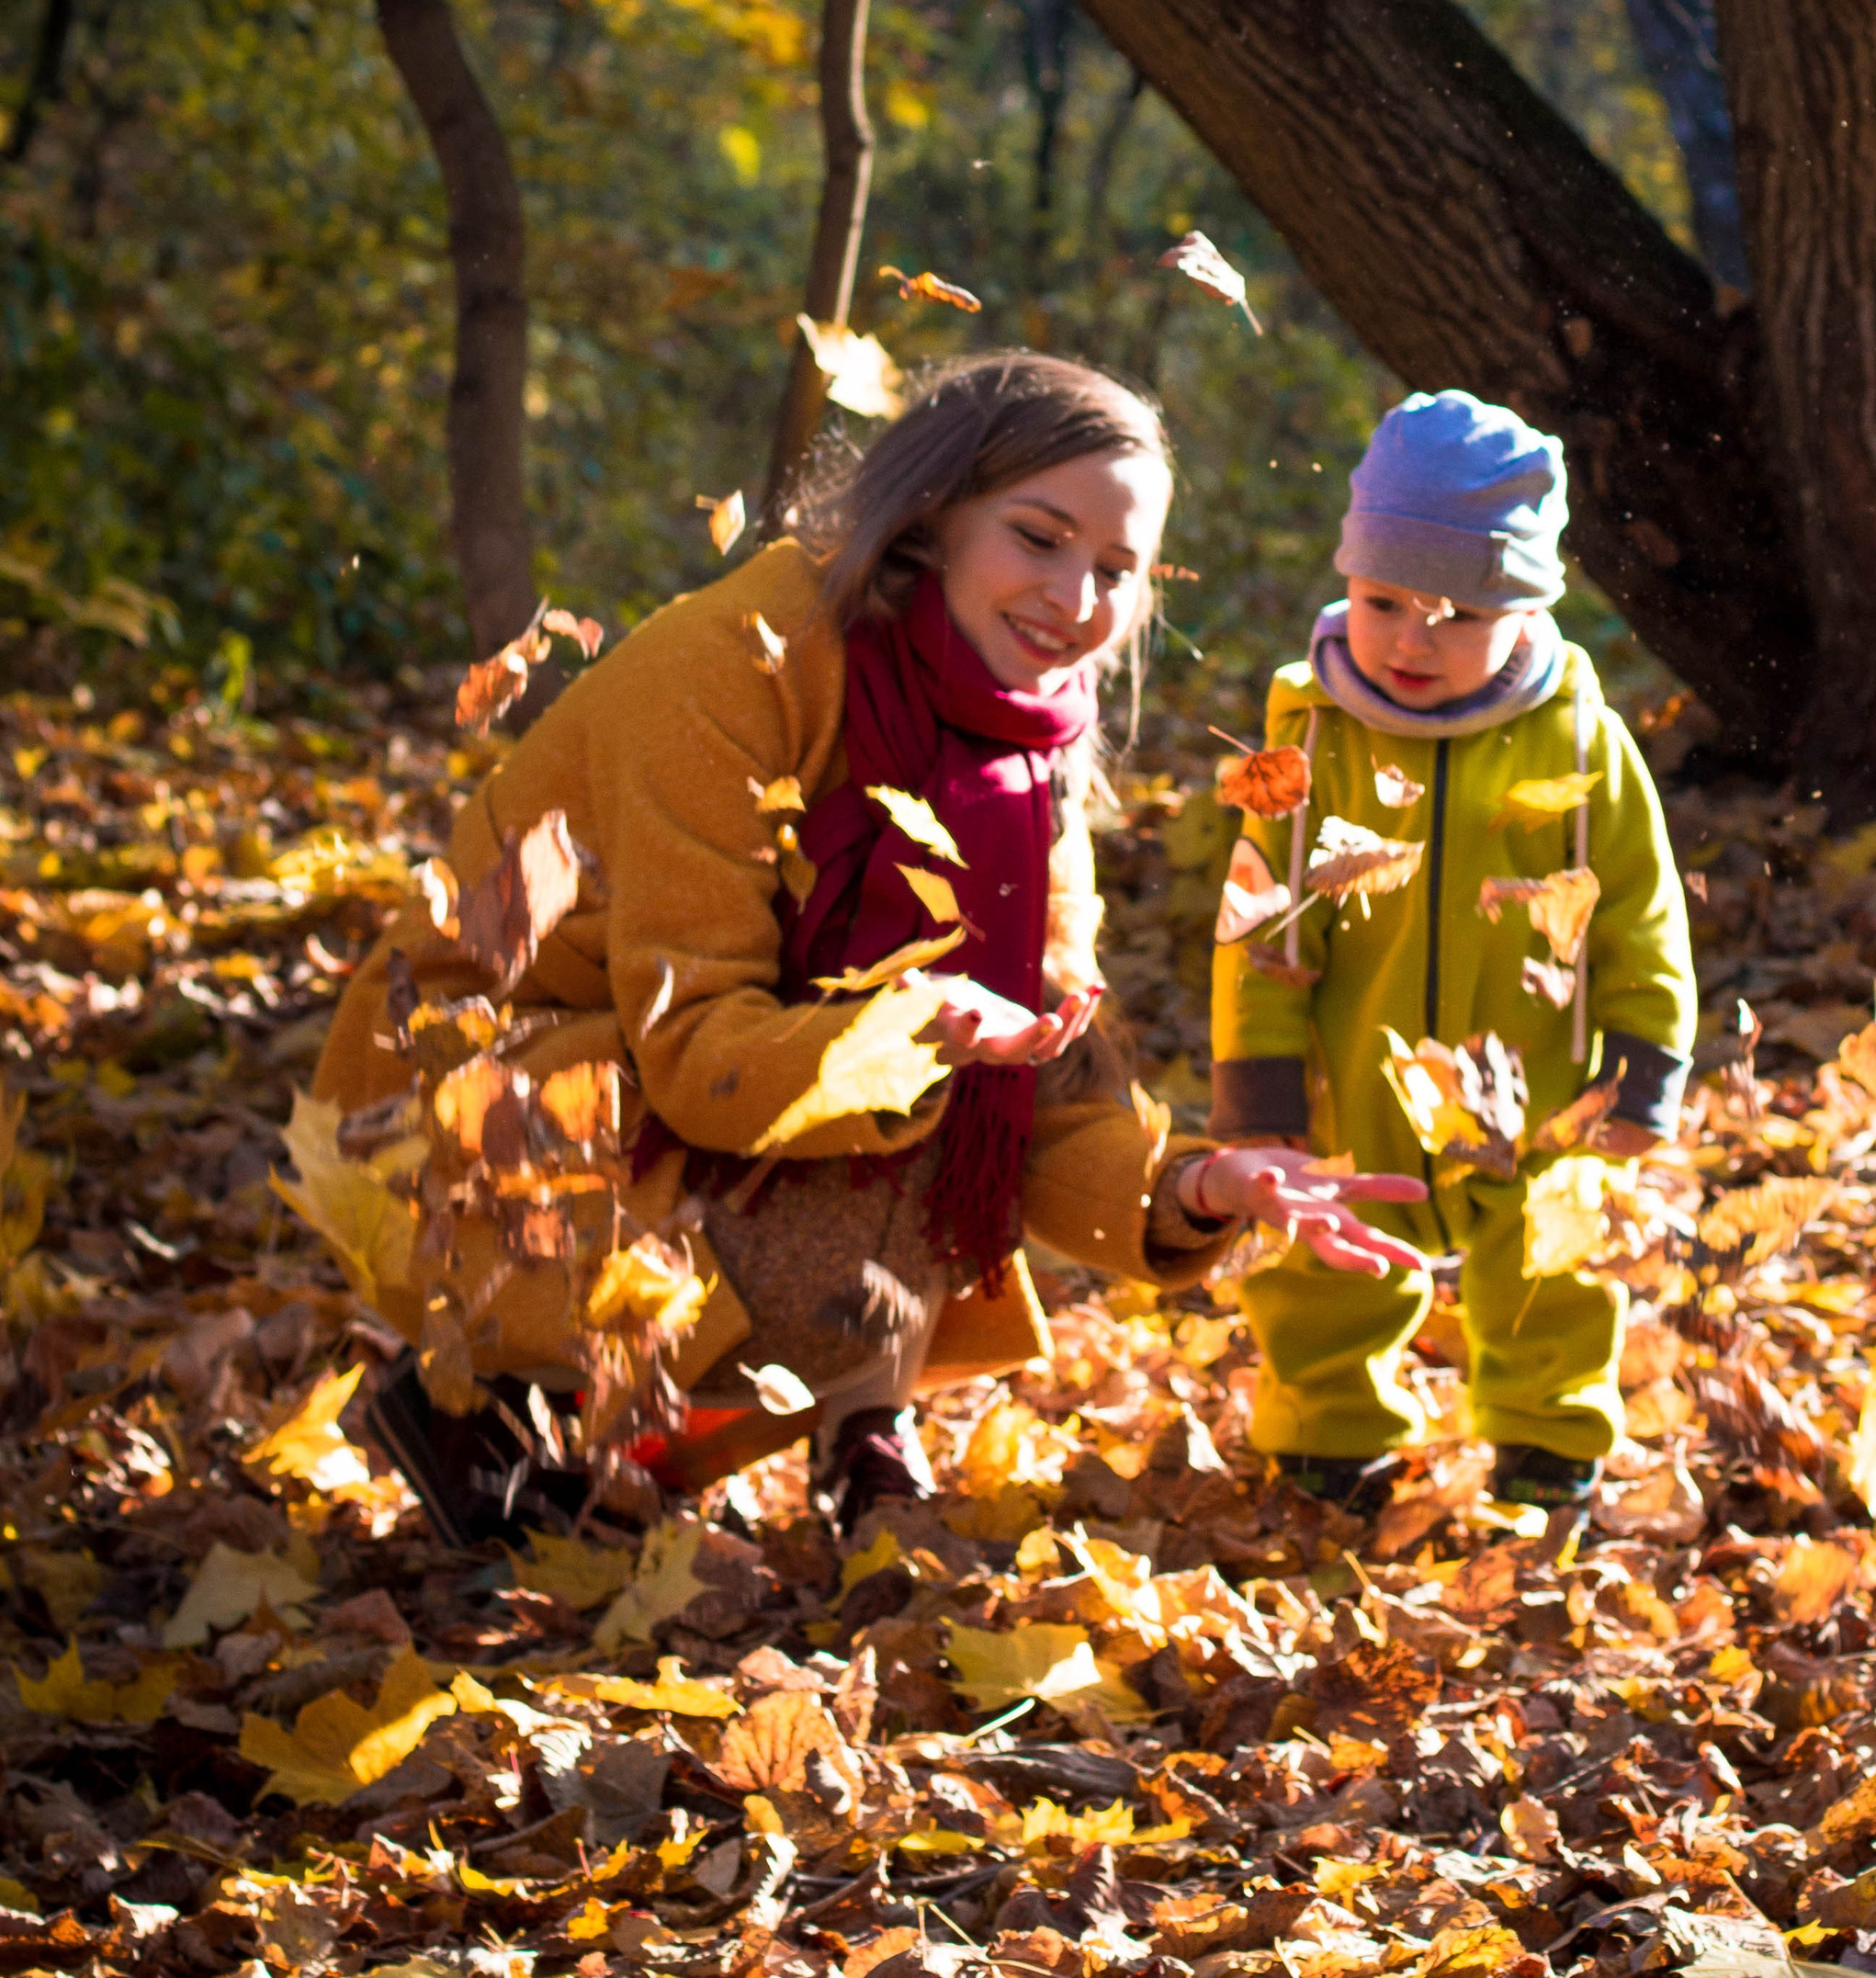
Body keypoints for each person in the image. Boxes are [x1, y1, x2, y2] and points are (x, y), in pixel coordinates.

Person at [312, 351, 1423, 1543]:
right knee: (893, 1126)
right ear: (933, 514)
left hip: (643, 1100)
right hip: (459, 1101)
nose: (1076, 597)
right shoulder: (728, 669)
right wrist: (924, 1028)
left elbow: (1042, 1078)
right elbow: (699, 1051)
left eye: (1115, 570)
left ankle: (650, 1441)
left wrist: (1199, 1185)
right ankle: (505, 1398)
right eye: (1039, 537)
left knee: (931, 1114)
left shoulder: (1024, 748)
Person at [1210, 390, 1696, 1516]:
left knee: (1550, 1270)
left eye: (1458, 614)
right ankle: (1328, 1451)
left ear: (1525, 608)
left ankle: (1547, 1454)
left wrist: (1640, 1072)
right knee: (1326, 1259)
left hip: (1543, 1083)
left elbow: (1639, 912)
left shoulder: (1581, 739)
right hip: (1356, 1076)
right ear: (1348, 580)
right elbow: (1260, 922)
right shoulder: (1309, 736)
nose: (1412, 640)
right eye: (1383, 601)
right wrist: (1260, 1081)